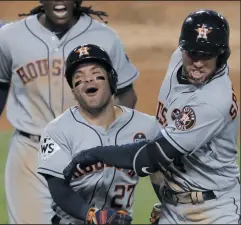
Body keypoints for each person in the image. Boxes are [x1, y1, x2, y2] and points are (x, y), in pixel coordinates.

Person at [63, 9, 240, 224]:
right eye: (193, 52)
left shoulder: (213, 101)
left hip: (214, 211)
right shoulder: (178, 60)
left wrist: (96, 154)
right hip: (175, 207)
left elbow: (153, 157)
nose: (198, 63)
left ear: (222, 56)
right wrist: (167, 199)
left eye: (207, 56)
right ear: (182, 48)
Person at [0, 0, 139, 223]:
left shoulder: (104, 37)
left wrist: (113, 142)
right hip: (30, 154)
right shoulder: (12, 37)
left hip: (87, 154)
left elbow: (127, 94)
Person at [37, 44, 160, 224]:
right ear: (74, 91)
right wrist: (93, 215)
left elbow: (164, 170)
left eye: (95, 73)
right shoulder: (57, 130)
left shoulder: (146, 126)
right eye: (78, 77)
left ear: (111, 79)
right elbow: (58, 190)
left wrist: (166, 203)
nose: (87, 80)